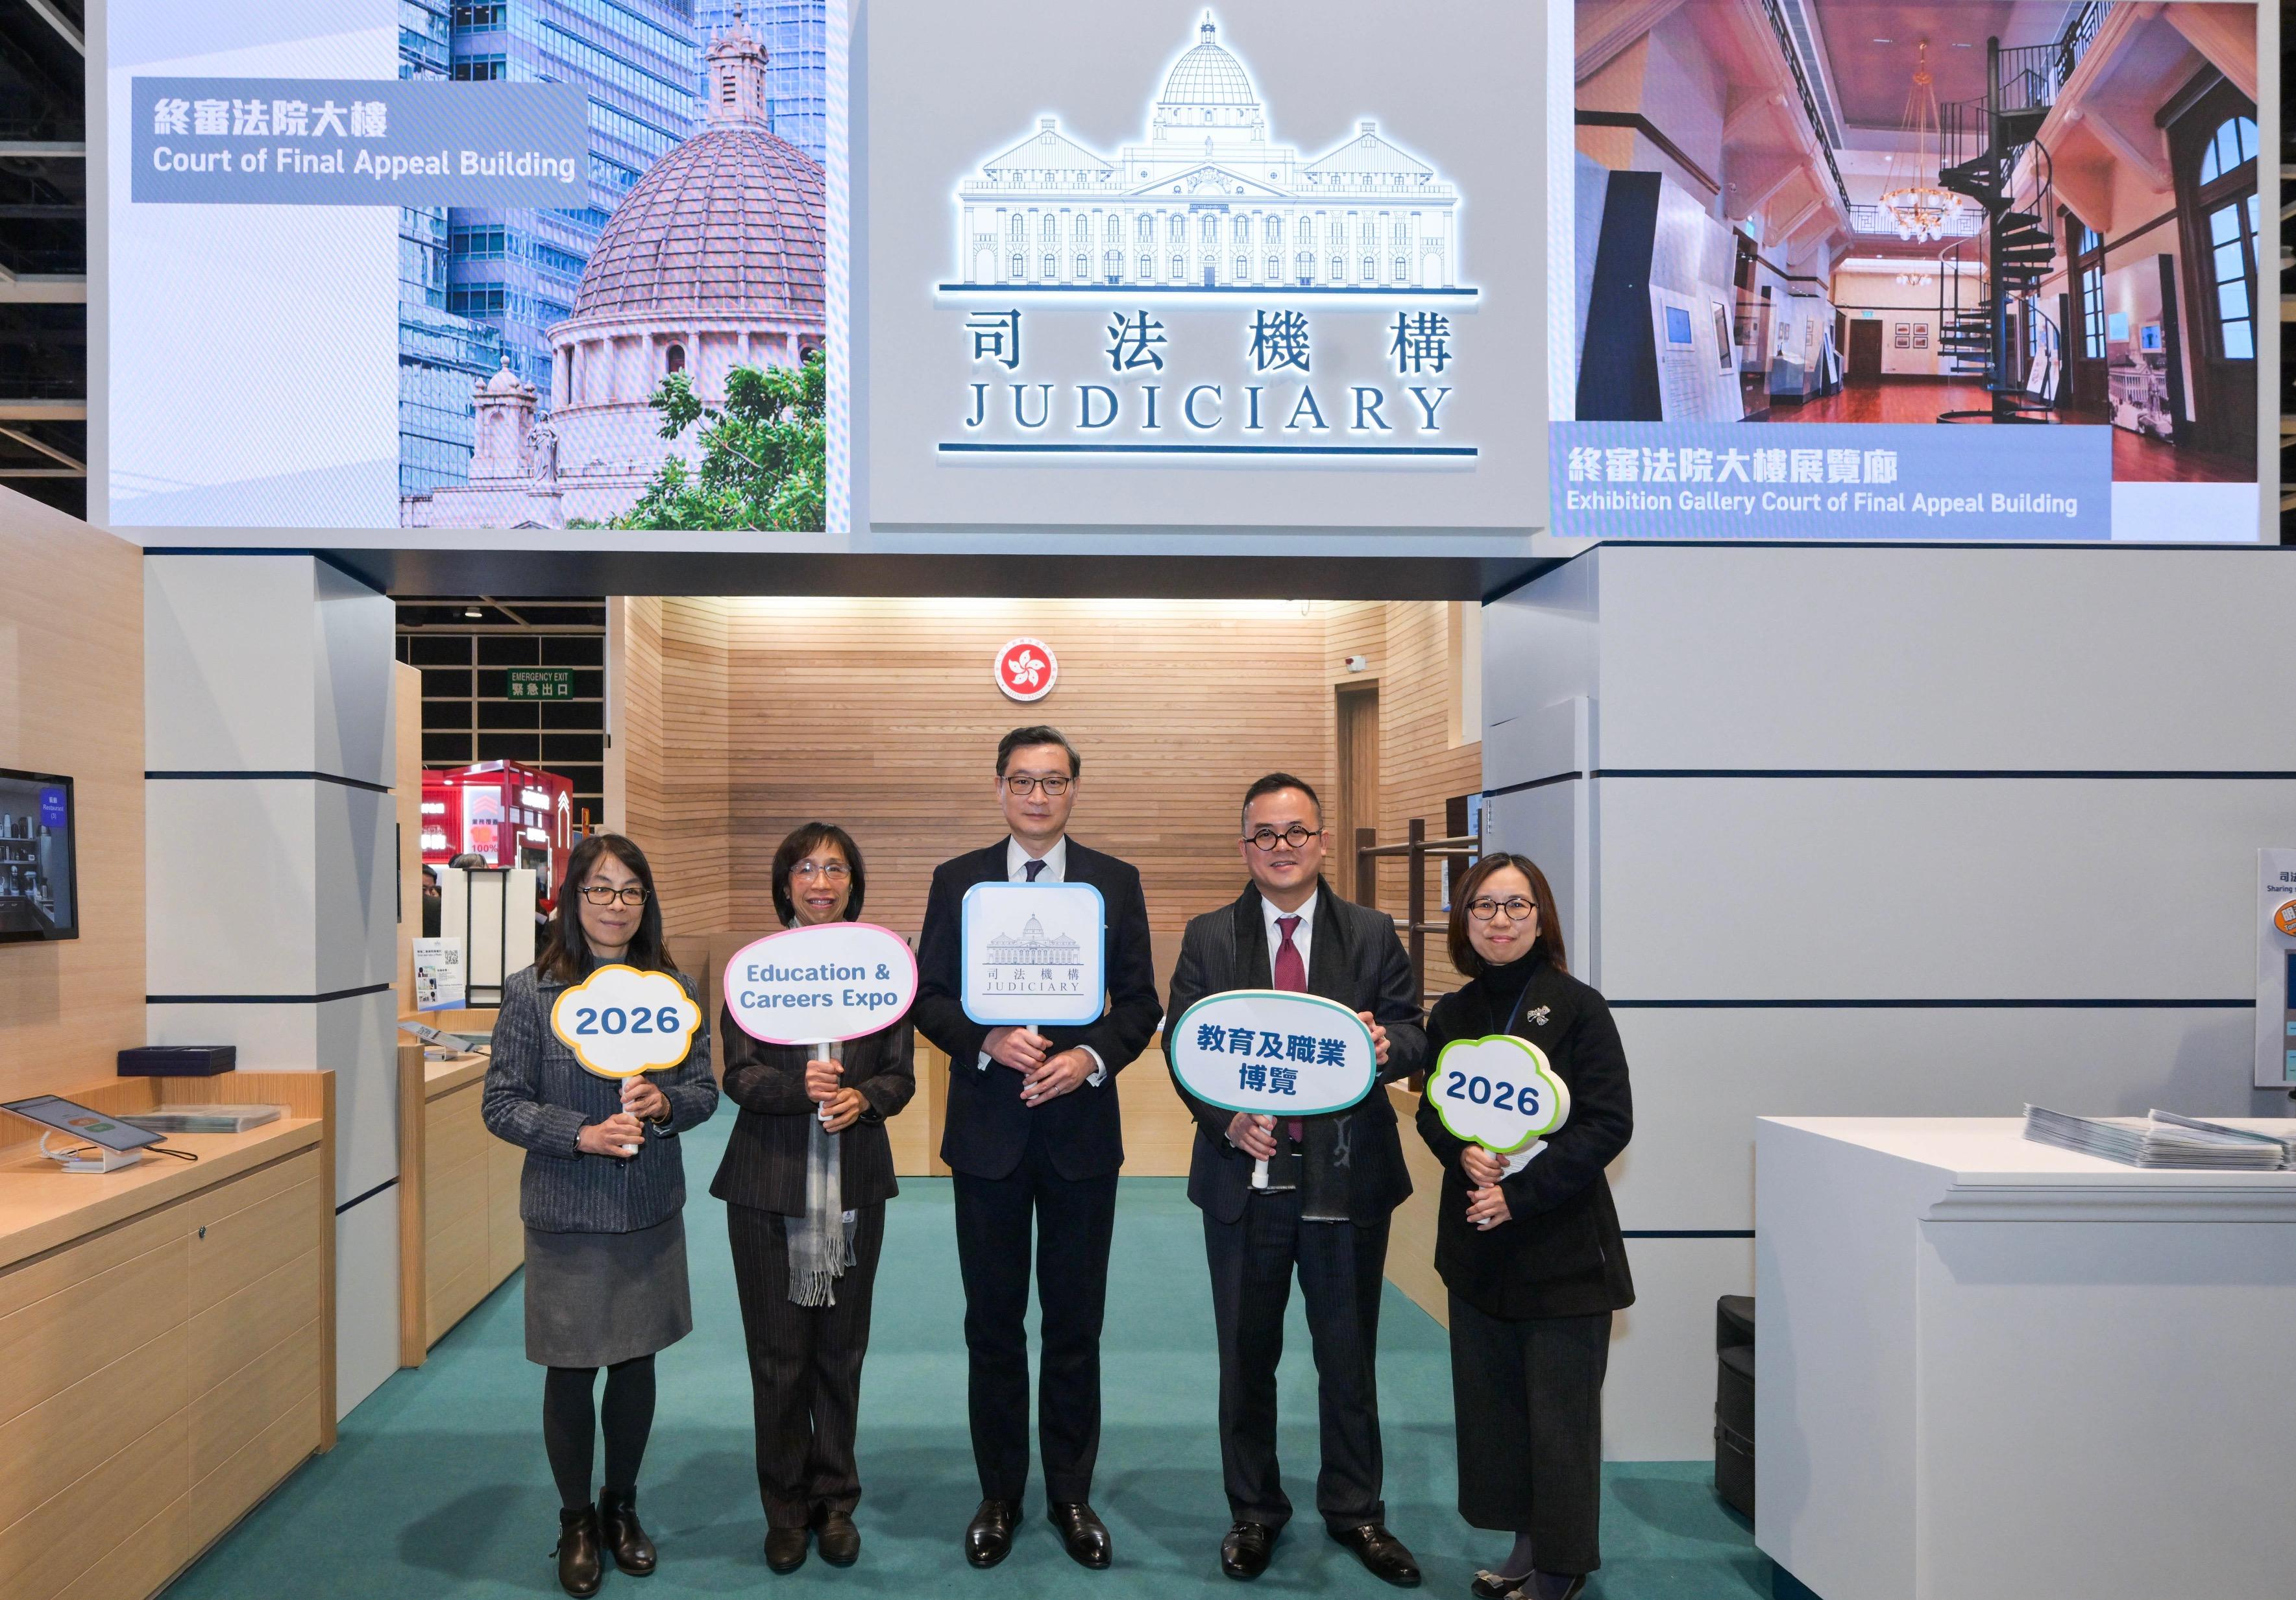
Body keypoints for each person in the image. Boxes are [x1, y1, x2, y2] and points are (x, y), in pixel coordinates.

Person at [1165, 773, 1430, 1587]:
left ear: (1321, 840)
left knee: (1347, 1355)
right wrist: (1224, 1121)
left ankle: (1355, 1511)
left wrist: (1390, 1048)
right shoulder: (1210, 936)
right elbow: (1184, 1045)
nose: (1281, 848)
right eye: (1264, 835)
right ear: (1244, 845)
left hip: (1346, 1180)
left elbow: (1417, 1031)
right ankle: (1254, 1512)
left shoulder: (1373, 932)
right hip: (1245, 1179)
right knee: (1247, 1357)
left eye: (1296, 833)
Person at [912, 725, 1162, 1570]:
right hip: (986, 1136)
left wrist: (1087, 1056)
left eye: (1053, 781)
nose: (1037, 795)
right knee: (991, 1324)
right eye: (1022, 780)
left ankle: (1070, 1493)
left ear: (1073, 791)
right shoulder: (957, 881)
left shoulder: (1114, 883)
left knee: (1074, 1325)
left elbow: (1139, 1003)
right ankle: (999, 1493)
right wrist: (987, 1039)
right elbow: (930, 997)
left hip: (1080, 1136)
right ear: (998, 788)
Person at [482, 834, 720, 1598]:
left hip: (647, 1206)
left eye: (630, 892)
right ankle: (576, 1518)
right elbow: (502, 1103)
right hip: (567, 1209)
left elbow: (704, 1091)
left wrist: (665, 1104)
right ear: (570, 898)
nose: (615, 906)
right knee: (570, 1366)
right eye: (599, 889)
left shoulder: (674, 987)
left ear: (646, 903)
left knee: (636, 1360)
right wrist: (578, 1134)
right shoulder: (532, 992)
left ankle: (623, 1506)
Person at [1414, 853, 1633, 1600]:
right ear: (1463, 921)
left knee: (1561, 1421)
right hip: (1478, 1248)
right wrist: (1461, 1154)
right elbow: (1429, 1112)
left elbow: (1609, 1122)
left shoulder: (1580, 1007)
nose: (1498, 921)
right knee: (1497, 1413)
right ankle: (1524, 1545)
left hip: (1561, 1250)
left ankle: (1562, 1566)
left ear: (1540, 919)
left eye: (1515, 907)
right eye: (1483, 907)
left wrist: (1523, 1191)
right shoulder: (1453, 1012)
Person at [712, 823, 916, 1574]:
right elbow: (737, 1076)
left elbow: (901, 1076)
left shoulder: (883, 972)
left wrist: (864, 1097)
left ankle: (836, 1501)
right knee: (777, 1357)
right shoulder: (754, 971)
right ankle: (785, 1508)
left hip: (856, 1181)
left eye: (834, 868)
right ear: (785, 881)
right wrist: (797, 1089)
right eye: (805, 867)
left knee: (841, 1352)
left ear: (853, 882)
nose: (820, 880)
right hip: (766, 1184)